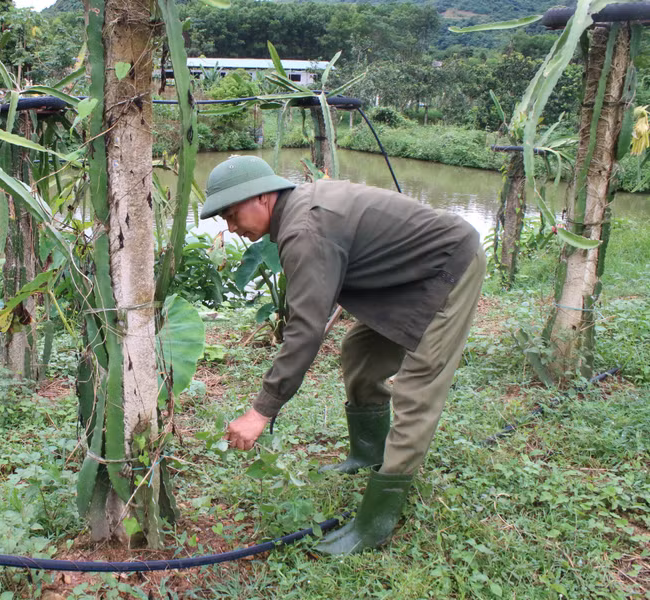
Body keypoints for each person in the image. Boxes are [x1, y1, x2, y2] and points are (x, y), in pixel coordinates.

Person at [200, 155, 486, 556]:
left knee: (418, 387)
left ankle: (376, 521)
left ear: (262, 197)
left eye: (232, 214)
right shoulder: (299, 211)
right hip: (410, 271)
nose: (232, 228)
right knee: (361, 351)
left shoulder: (302, 228)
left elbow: (304, 330)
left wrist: (261, 411)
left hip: (448, 265)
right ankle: (368, 453)